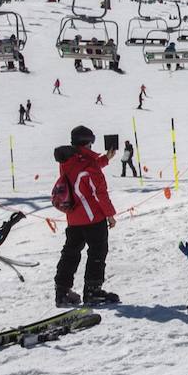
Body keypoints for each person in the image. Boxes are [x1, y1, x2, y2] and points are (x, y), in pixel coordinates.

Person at [53, 125, 119, 306]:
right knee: (97, 251)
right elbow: (99, 192)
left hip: (73, 217)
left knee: (70, 253)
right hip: (92, 217)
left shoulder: (68, 160)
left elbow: (82, 169)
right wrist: (110, 215)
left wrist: (105, 159)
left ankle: (62, 292)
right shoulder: (89, 163)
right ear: (87, 142)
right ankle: (92, 291)